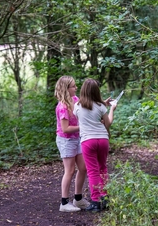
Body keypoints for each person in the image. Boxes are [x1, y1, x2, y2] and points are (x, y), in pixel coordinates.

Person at [73, 78, 117, 212]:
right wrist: (112, 109)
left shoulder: (77, 106)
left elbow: (83, 116)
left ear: (83, 90)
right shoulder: (101, 106)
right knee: (103, 168)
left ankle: (96, 202)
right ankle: (105, 198)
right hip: (103, 139)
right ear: (97, 91)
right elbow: (107, 123)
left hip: (88, 141)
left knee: (92, 171)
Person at [54, 76, 91, 212]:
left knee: (83, 168)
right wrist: (82, 126)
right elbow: (65, 129)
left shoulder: (75, 100)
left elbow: (87, 106)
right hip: (66, 140)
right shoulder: (62, 107)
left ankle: (78, 198)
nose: (76, 88)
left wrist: (103, 103)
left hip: (77, 139)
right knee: (69, 170)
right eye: (73, 86)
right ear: (66, 89)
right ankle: (64, 203)